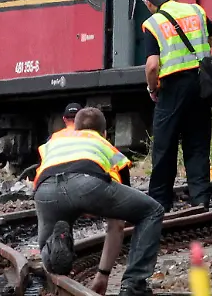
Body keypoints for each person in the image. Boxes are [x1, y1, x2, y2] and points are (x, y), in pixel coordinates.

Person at [34, 107, 164, 296]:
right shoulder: (106, 148)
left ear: (75, 129)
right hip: (87, 183)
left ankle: (57, 245)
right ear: (104, 133)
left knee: (48, 251)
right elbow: (117, 223)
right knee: (152, 212)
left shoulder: (54, 141)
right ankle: (133, 284)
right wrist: (103, 273)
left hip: (45, 189)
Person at [138, 0, 212, 211]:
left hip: (172, 87)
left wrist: (152, 88)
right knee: (197, 143)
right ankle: (200, 199)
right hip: (200, 85)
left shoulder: (152, 24)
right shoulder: (195, 11)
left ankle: (161, 201)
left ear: (148, 3)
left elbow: (152, 66)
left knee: (165, 146)